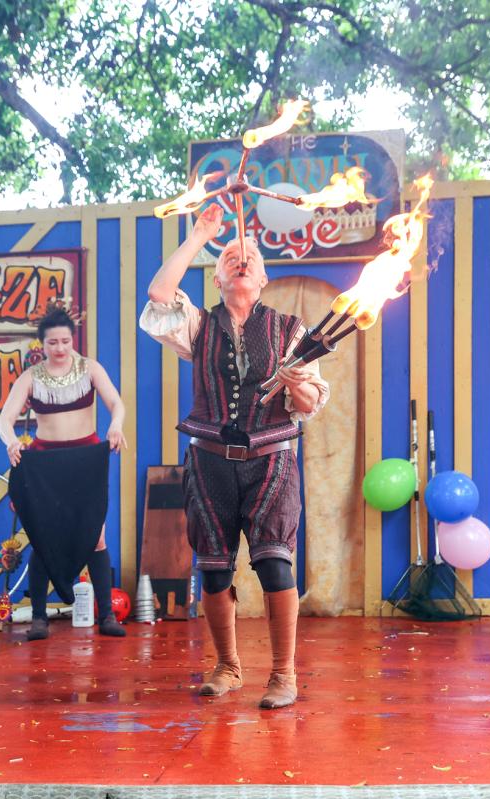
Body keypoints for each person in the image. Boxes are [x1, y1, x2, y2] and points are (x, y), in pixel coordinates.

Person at [139, 203, 329, 709]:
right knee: (215, 570)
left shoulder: (290, 330)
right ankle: (227, 666)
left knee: (275, 567)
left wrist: (296, 386)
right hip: (208, 462)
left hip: (272, 460)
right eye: (228, 256)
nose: (239, 260)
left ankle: (283, 675)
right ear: (217, 278)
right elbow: (160, 294)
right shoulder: (197, 325)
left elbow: (308, 404)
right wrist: (202, 235)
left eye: (249, 256)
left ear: (263, 278)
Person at [0, 300, 128, 640]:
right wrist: (12, 441)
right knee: (45, 539)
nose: (59, 348)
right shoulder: (31, 377)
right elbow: (5, 419)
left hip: (86, 460)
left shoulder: (90, 369)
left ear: (73, 340)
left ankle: (108, 616)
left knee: (96, 537)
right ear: (42, 344)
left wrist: (116, 426)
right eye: (53, 342)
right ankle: (39, 618)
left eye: (65, 341)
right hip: (45, 464)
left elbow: (117, 403)